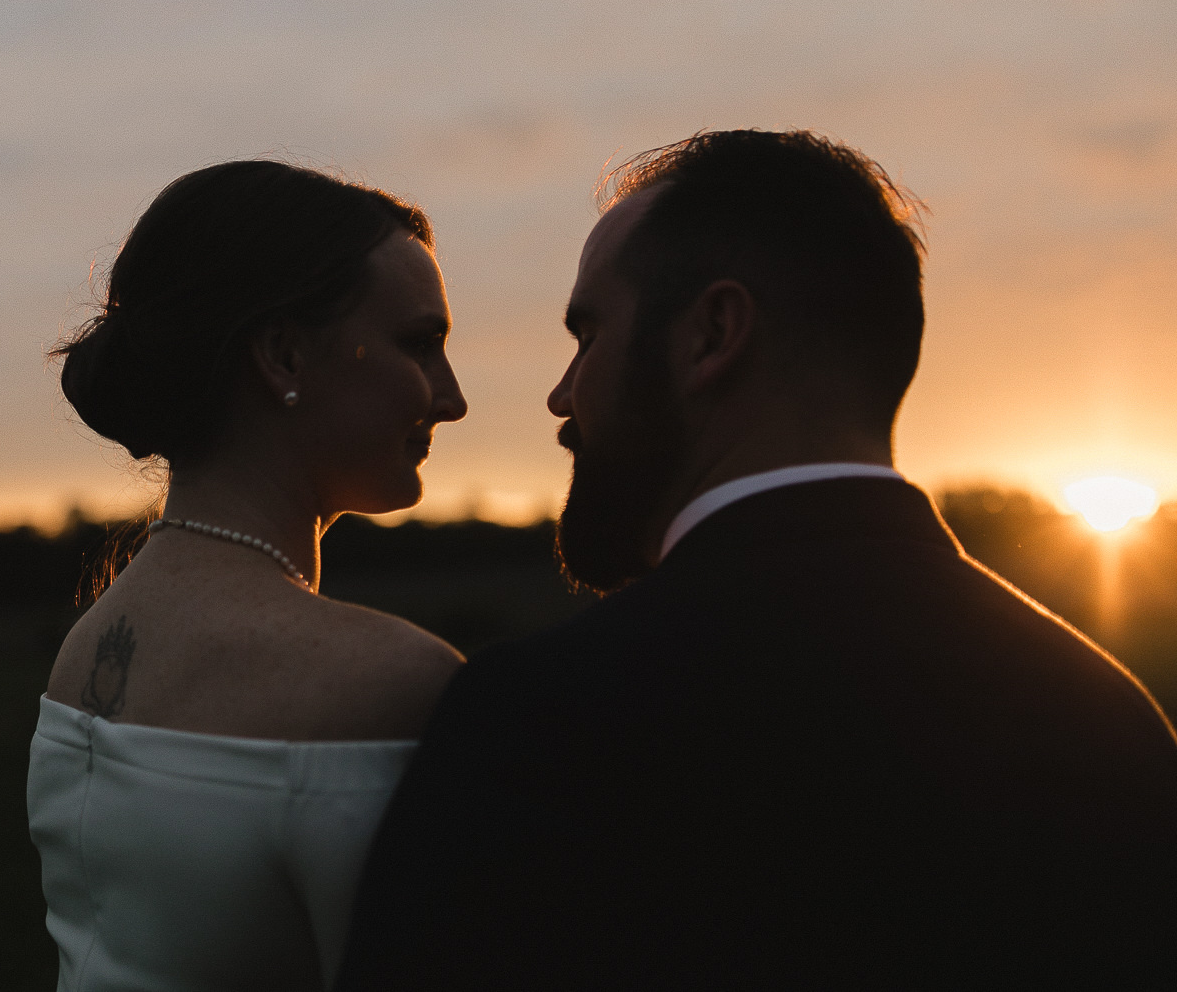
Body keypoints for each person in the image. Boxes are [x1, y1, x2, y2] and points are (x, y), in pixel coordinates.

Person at [337, 130, 1177, 989]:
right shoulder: (1114, 725)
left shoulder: (543, 725)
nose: (561, 395)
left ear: (712, 333)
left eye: (587, 334)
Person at [27, 159, 470, 991]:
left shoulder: (86, 651)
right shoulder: (383, 682)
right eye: (421, 343)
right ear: (284, 354)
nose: (451, 398)